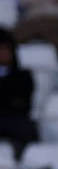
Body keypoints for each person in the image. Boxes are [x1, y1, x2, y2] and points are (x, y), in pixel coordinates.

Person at [0, 28, 38, 159]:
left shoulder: (24, 76)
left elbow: (24, 104)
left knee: (27, 129)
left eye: (6, 49)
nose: (4, 53)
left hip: (15, 123)